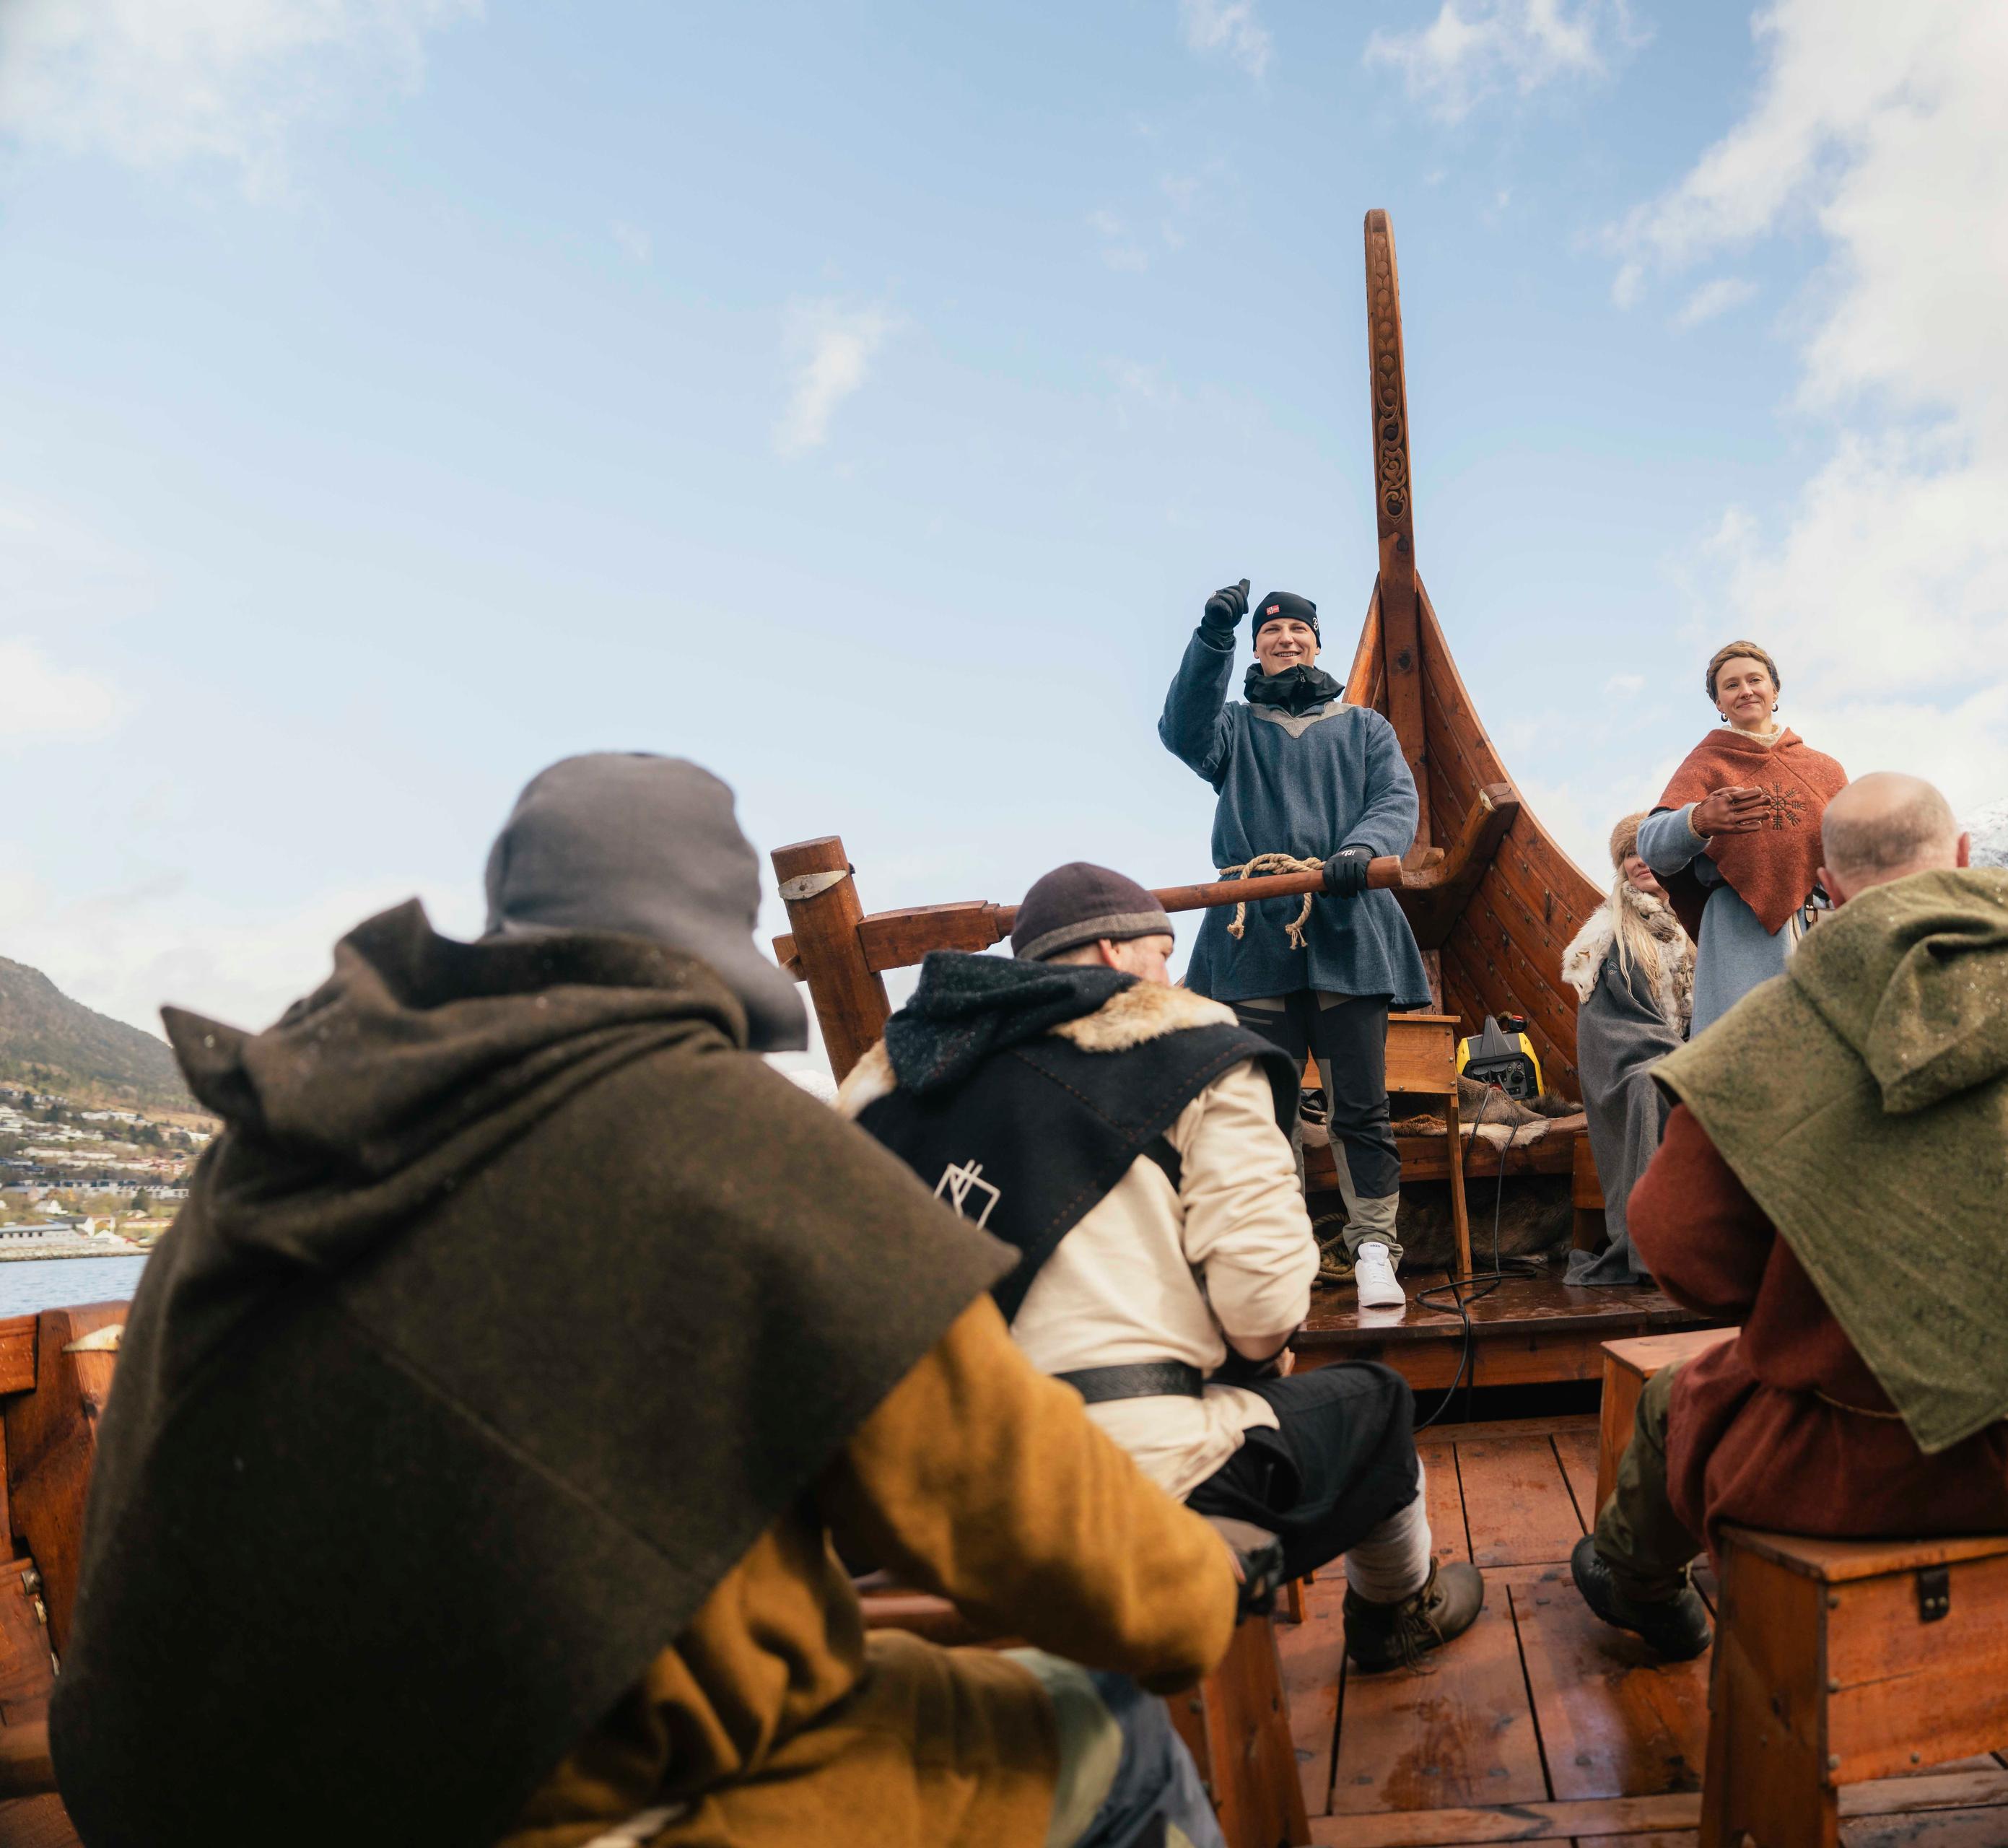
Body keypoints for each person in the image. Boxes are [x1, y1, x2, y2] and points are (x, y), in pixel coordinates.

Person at [53, 754, 1247, 1848]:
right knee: (1117, 1737)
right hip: (547, 1817)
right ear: (716, 938)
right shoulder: (735, 1144)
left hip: (168, 1802)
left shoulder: (272, 1142)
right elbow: (1065, 1541)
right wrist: (1207, 1581)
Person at [1569, 772, 2008, 1662]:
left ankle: (1638, 1586)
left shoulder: (1770, 1035)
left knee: (1672, 1401)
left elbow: (1684, 1253)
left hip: (1864, 1464)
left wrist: (1821, 1281)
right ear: (1961, 859)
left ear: (1828, 886)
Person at [837, 860, 1485, 1673]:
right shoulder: (1192, 1048)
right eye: (1161, 955)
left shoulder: (881, 1089)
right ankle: (1397, 1616)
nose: (1170, 978)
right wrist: (1239, 1353)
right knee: (1375, 1402)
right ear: (1113, 952)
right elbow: (1262, 1308)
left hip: (903, 1499)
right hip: (1111, 1487)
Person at [1158, 579, 1433, 1311]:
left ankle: (1374, 1247)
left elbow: (1395, 800)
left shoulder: (1365, 728)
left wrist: (1364, 847)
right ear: (1257, 648)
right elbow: (1181, 730)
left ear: (1317, 641)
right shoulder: (1232, 730)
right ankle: (1278, 1253)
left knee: (1360, 1108)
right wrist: (1212, 636)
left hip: (1348, 927)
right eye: (1270, 633)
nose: (1286, 640)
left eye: (1298, 632)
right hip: (1251, 938)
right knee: (1261, 1114)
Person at [1636, 641, 1849, 1034]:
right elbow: (1650, 844)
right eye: (1731, 685)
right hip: (1739, 937)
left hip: (1822, 927)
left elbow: (1853, 854)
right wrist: (1698, 820)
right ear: (1719, 702)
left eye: (1755, 680)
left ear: (1775, 691)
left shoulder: (1824, 769)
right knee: (1747, 1063)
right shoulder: (1706, 763)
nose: (1746, 690)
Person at [1560, 811, 1695, 1286]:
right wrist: (1676, 1058)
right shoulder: (1606, 936)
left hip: (1689, 1054)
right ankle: (1653, 1243)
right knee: (1650, 1087)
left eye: (1647, 851)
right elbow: (1609, 1025)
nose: (1640, 861)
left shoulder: (1691, 929)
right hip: (1628, 1063)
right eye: (1628, 855)